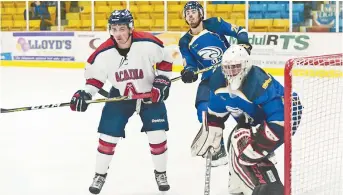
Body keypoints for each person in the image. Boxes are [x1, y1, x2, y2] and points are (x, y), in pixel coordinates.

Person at [69, 9, 174, 194]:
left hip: (150, 95)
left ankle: (161, 173)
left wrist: (162, 82)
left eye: (122, 28)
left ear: (130, 28)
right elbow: (94, 80)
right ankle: (99, 175)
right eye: (114, 29)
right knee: (107, 137)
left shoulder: (148, 43)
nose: (118, 33)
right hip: (120, 96)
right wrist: (85, 94)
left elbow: (166, 59)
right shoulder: (102, 53)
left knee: (158, 135)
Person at [191, 45, 303, 195]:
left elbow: (279, 121)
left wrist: (259, 146)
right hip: (255, 118)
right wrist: (214, 126)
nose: (230, 72)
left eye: (235, 67)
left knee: (245, 146)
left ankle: (269, 188)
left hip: (288, 114)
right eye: (227, 68)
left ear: (245, 66)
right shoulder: (218, 80)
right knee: (238, 138)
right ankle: (236, 185)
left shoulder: (259, 83)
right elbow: (216, 111)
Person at [178, 1, 252, 167]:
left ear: (201, 13)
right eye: (187, 12)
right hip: (210, 79)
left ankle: (252, 143)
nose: (190, 15)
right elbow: (189, 63)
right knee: (202, 109)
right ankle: (217, 147)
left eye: (193, 11)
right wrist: (189, 71)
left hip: (231, 73)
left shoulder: (215, 23)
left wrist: (243, 44)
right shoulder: (184, 41)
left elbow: (239, 30)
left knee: (242, 111)